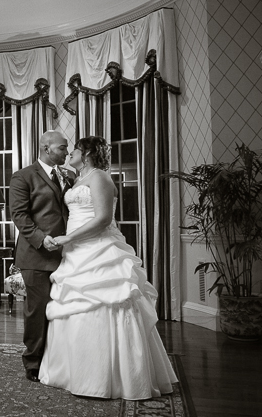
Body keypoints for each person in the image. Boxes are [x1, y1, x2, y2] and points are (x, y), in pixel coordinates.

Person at [38, 136, 178, 399]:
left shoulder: (100, 177)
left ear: (87, 153)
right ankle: (73, 371)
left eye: (74, 150)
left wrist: (68, 238)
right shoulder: (78, 178)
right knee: (75, 304)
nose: (69, 154)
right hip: (77, 252)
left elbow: (103, 219)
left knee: (109, 300)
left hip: (98, 248)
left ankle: (112, 376)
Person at [9, 130, 72, 382]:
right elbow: (19, 215)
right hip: (37, 255)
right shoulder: (23, 176)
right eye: (62, 148)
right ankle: (33, 362)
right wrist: (39, 238)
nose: (66, 152)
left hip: (69, 255)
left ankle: (59, 358)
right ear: (47, 148)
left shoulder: (69, 175)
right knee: (38, 310)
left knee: (64, 307)